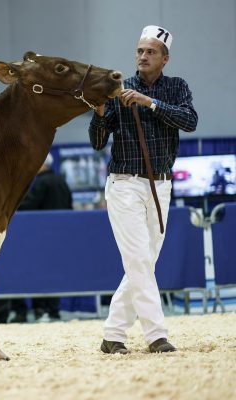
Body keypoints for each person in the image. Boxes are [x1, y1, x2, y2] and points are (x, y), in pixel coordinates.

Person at [89, 25, 198, 354]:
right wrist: (99, 110)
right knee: (138, 258)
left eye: (150, 52)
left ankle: (113, 334)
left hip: (161, 185)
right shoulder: (119, 89)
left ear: (165, 59)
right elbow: (98, 142)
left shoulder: (177, 87)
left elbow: (189, 121)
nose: (143, 56)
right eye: (139, 51)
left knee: (144, 262)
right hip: (125, 184)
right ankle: (156, 335)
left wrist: (149, 103)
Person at [12, 153, 73, 322]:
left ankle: (40, 308)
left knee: (38, 270)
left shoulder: (41, 182)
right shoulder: (61, 181)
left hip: (41, 236)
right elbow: (69, 206)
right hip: (59, 236)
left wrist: (10, 207)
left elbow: (29, 205)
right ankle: (53, 309)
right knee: (54, 271)